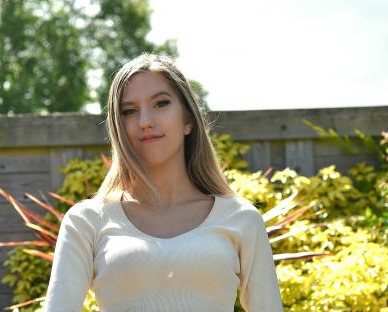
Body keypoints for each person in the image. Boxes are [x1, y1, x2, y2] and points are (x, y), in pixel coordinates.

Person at [44, 53, 282, 311]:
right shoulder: (86, 222)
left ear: (188, 120)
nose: (145, 121)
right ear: (117, 126)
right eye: (129, 111)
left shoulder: (242, 218)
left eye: (161, 103)